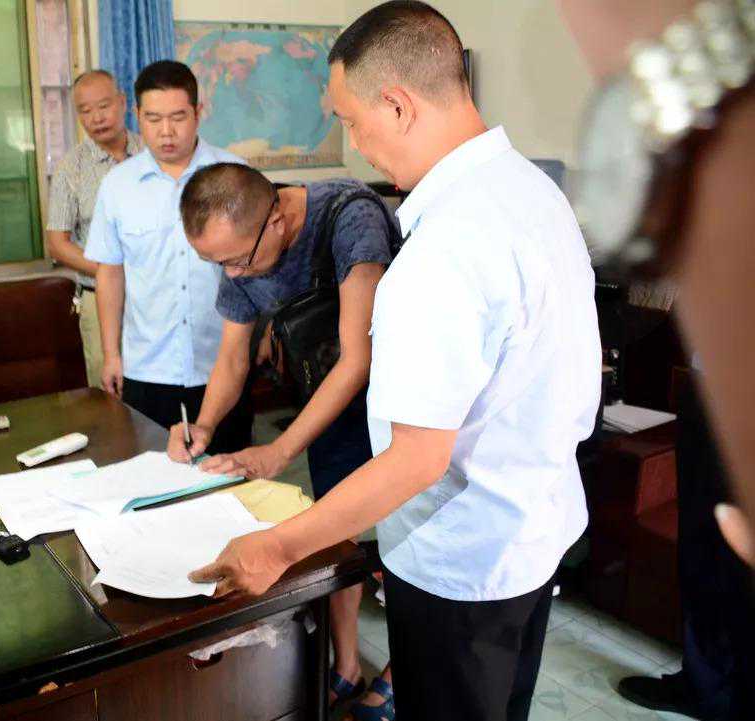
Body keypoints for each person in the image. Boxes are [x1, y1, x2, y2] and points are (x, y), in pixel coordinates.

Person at [188, 4, 601, 721]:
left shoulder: (443, 248)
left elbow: (417, 459)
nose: (356, 145)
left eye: (352, 122)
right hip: (534, 530)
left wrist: (278, 547)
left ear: (398, 105)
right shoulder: (534, 192)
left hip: (462, 562)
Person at [558, 1, 755, 718]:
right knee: (707, 548)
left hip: (725, 390)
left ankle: (713, 686)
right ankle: (707, 678)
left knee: (714, 547)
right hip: (703, 382)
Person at [167, 162, 394, 715]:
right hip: (329, 402)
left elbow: (358, 359)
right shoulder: (238, 249)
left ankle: (397, 675)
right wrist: (204, 425)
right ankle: (346, 665)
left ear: (276, 219)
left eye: (237, 260)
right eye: (217, 264)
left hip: (400, 403)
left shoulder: (349, 218)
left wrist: (280, 449)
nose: (233, 274)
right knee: (336, 535)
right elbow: (233, 356)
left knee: (402, 543)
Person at [83, 60, 252, 453]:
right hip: (147, 369)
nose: (166, 131)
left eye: (178, 117)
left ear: (198, 112)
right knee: (152, 476)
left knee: (230, 474)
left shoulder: (235, 175)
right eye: (154, 119)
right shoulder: (118, 186)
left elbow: (258, 267)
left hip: (222, 365)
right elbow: (110, 273)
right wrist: (111, 354)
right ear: (136, 115)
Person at [47, 70, 143, 387]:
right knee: (111, 393)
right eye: (85, 111)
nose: (96, 118)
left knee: (157, 388)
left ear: (123, 102)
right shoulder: (70, 168)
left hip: (154, 294)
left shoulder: (151, 152)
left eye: (103, 106)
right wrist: (110, 272)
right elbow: (58, 244)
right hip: (98, 296)